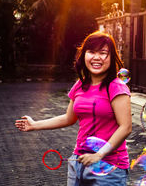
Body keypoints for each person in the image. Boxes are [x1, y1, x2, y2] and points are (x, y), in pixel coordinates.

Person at [15, 31, 132, 186]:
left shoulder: (116, 87)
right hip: (78, 162)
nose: (96, 57)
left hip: (109, 166)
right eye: (91, 52)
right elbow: (68, 118)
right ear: (84, 55)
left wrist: (99, 154)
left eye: (103, 53)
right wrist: (34, 124)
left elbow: (126, 127)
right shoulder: (80, 85)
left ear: (111, 58)